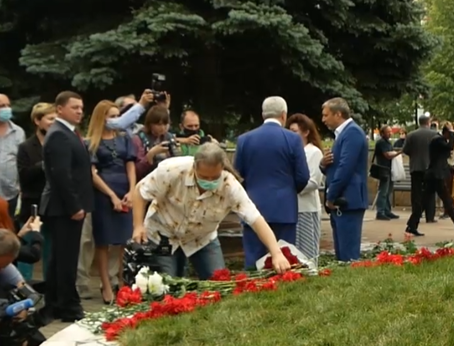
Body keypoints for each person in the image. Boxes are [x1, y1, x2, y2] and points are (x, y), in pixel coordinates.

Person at [131, 144, 291, 277]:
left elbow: (255, 219)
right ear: (194, 167)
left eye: (214, 178)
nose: (209, 182)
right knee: (166, 285)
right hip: (162, 233)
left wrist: (276, 252)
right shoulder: (172, 170)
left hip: (202, 239)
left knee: (219, 280)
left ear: (222, 169)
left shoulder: (230, 186)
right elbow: (140, 191)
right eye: (203, 177)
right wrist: (138, 225)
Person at [233, 97, 309, 268]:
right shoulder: (293, 139)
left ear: (263, 114)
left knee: (254, 260)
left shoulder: (244, 139)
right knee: (285, 258)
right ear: (284, 115)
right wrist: (289, 191)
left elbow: (236, 175)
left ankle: (252, 290)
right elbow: (303, 176)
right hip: (285, 209)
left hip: (253, 207)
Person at [39, 91, 92, 322]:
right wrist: (74, 206)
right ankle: (68, 306)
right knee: (65, 259)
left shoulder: (69, 132)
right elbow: (62, 174)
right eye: (74, 107)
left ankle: (57, 303)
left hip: (68, 206)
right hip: (64, 208)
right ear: (59, 109)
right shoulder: (59, 134)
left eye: (81, 107)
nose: (79, 111)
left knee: (62, 258)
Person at [86, 101, 137, 304]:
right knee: (103, 242)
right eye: (112, 116)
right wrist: (112, 196)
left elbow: (131, 165)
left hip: (125, 189)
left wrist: (132, 191)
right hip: (103, 192)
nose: (116, 120)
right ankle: (106, 285)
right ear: (101, 118)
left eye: (118, 116)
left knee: (124, 240)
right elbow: (92, 174)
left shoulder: (125, 139)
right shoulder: (91, 142)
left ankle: (122, 281)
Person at [319, 98, 367, 262]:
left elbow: (345, 168)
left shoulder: (352, 133)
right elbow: (335, 165)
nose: (323, 119)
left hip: (348, 201)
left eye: (326, 115)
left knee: (348, 256)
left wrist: (331, 196)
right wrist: (323, 164)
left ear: (338, 114)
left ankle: (353, 286)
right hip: (342, 201)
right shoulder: (342, 134)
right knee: (342, 255)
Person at [406, 124, 454, 237]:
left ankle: (411, 226)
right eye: (450, 134)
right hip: (435, 177)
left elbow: (441, 161)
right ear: (446, 133)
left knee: (424, 203)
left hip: (435, 176)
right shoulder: (437, 140)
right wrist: (453, 136)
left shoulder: (440, 141)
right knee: (447, 202)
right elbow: (450, 147)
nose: (451, 137)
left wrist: (453, 170)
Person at [16, 103, 56, 280]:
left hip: (54, 204)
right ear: (37, 121)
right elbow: (24, 175)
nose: (54, 123)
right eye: (50, 119)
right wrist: (43, 165)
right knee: (29, 247)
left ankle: (50, 287)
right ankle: (23, 286)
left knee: (51, 249)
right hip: (32, 204)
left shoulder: (59, 144)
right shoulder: (26, 147)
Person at [286, 114, 325, 261]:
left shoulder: (313, 152)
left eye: (294, 131)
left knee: (307, 252)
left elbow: (314, 182)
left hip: (306, 209)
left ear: (306, 132)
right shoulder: (291, 152)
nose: (291, 135)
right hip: (291, 208)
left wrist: (291, 189)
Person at [0, 94, 27, 218]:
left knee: (7, 232)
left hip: (10, 194)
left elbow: (22, 162)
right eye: (1, 106)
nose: (6, 109)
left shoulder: (18, 132)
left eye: (8, 105)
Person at [401, 115, 438, 226]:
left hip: (416, 167)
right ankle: (430, 216)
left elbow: (405, 150)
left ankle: (416, 214)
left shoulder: (411, 135)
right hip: (430, 167)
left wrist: (414, 155)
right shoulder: (434, 135)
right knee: (430, 192)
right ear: (428, 122)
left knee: (416, 192)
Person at [372, 127, 401, 221]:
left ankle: (387, 210)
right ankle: (380, 212)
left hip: (389, 169)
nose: (390, 133)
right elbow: (387, 155)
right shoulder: (381, 143)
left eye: (390, 132)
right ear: (382, 133)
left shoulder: (388, 143)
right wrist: (399, 152)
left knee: (388, 191)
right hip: (383, 169)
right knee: (383, 191)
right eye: (388, 132)